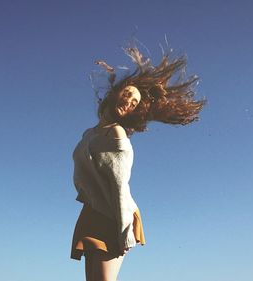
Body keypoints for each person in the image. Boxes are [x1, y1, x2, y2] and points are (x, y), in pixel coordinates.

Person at [70, 44, 206, 281]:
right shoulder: (89, 134)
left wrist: (124, 231)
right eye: (128, 95)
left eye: (134, 103)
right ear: (116, 92)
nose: (129, 103)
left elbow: (120, 185)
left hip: (115, 213)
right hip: (93, 211)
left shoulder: (117, 135)